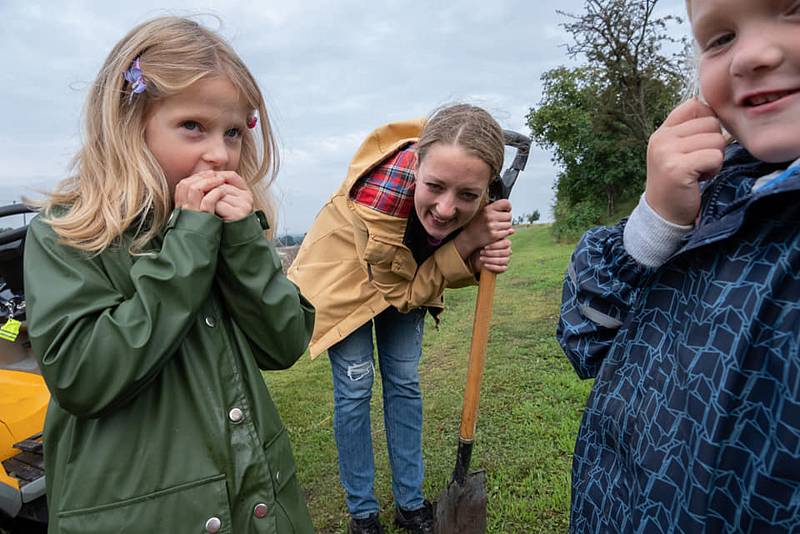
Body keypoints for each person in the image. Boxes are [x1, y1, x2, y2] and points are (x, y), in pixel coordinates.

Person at [23, 16, 315, 533]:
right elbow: (84, 377)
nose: (220, 154)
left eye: (232, 132)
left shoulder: (236, 229)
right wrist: (187, 247)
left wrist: (244, 243)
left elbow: (285, 342)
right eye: (192, 127)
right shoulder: (69, 234)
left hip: (254, 504)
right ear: (129, 122)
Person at [558, 0, 800, 531]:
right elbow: (587, 342)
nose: (750, 56)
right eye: (718, 39)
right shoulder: (717, 191)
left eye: (794, 9)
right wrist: (656, 221)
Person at [288, 104, 513, 534]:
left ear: (486, 188)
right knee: (355, 390)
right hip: (344, 278)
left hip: (406, 272)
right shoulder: (379, 198)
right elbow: (406, 294)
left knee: (404, 383)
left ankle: (410, 505)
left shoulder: (480, 198)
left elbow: (437, 265)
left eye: (468, 195)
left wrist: (479, 253)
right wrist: (467, 239)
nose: (447, 209)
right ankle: (363, 513)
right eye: (435, 187)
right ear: (415, 165)